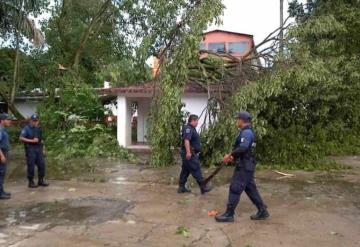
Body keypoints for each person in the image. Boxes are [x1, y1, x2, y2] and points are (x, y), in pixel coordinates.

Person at [215, 111, 269, 222]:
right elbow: (245, 150)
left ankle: (229, 214)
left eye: (237, 119)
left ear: (241, 120)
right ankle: (263, 210)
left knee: (235, 188)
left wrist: (230, 155)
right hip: (247, 164)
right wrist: (233, 157)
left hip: (244, 166)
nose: (236, 121)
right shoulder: (248, 132)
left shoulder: (246, 133)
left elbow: (243, 147)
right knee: (250, 189)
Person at [178, 114, 212, 194]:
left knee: (185, 170)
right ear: (193, 120)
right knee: (196, 168)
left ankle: (181, 187)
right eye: (197, 121)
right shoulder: (188, 129)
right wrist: (188, 152)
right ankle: (203, 187)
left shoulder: (192, 128)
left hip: (189, 152)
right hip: (190, 153)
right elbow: (186, 140)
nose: (197, 123)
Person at [19, 114, 49, 188]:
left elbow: (41, 139)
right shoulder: (26, 128)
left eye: (36, 121)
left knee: (42, 165)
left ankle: (41, 180)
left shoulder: (39, 128)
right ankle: (31, 181)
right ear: (30, 121)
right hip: (30, 149)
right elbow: (21, 138)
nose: (35, 122)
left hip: (39, 148)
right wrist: (32, 141)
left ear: (38, 121)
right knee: (31, 166)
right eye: (33, 121)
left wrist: (44, 148)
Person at [0, 113, 14, 199]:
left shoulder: (3, 129)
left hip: (3, 152)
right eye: (8, 120)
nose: (10, 121)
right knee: (0, 173)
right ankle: (0, 193)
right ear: (2, 120)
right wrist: (1, 156)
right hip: (1, 152)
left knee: (2, 173)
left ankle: (1, 191)